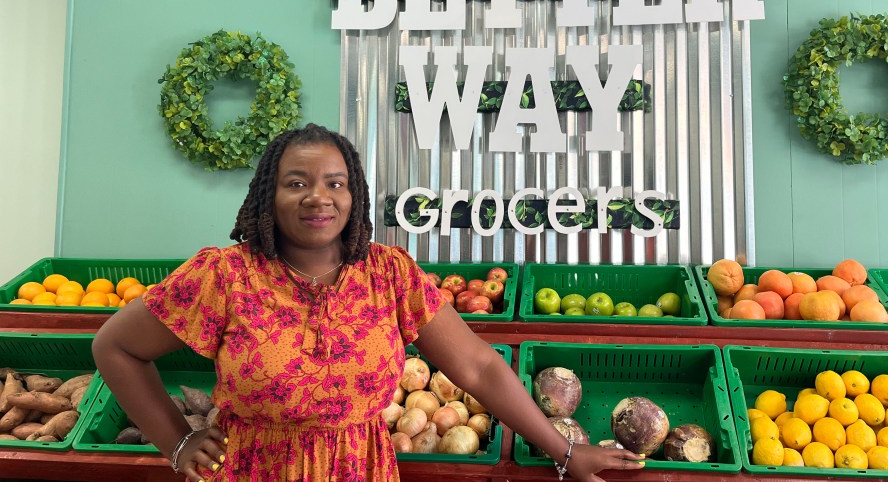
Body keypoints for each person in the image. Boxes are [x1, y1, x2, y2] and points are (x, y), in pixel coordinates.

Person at [93, 123, 644, 482]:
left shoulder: (389, 273)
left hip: (360, 468)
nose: (318, 197)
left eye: (335, 183)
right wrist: (178, 441)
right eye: (296, 183)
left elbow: (478, 366)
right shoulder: (224, 276)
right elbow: (115, 347)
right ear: (268, 195)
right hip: (251, 469)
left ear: (353, 195)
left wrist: (564, 452)